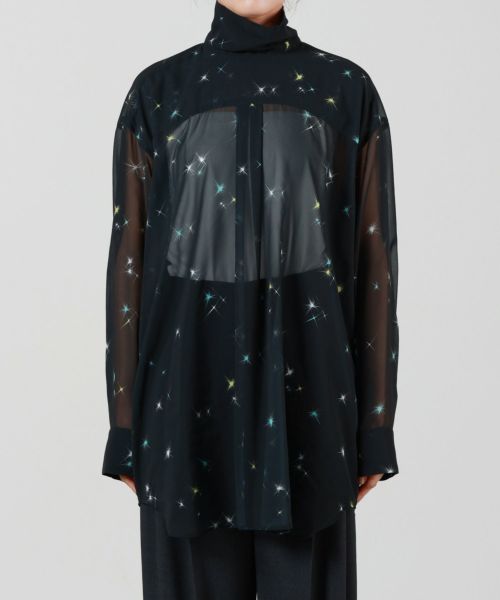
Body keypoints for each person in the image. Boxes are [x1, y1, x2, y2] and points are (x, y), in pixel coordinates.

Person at [101, 0, 400, 597]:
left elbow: (375, 263)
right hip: (184, 408)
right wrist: (126, 428)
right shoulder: (159, 93)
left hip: (310, 407)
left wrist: (375, 426)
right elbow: (129, 266)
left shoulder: (345, 91)